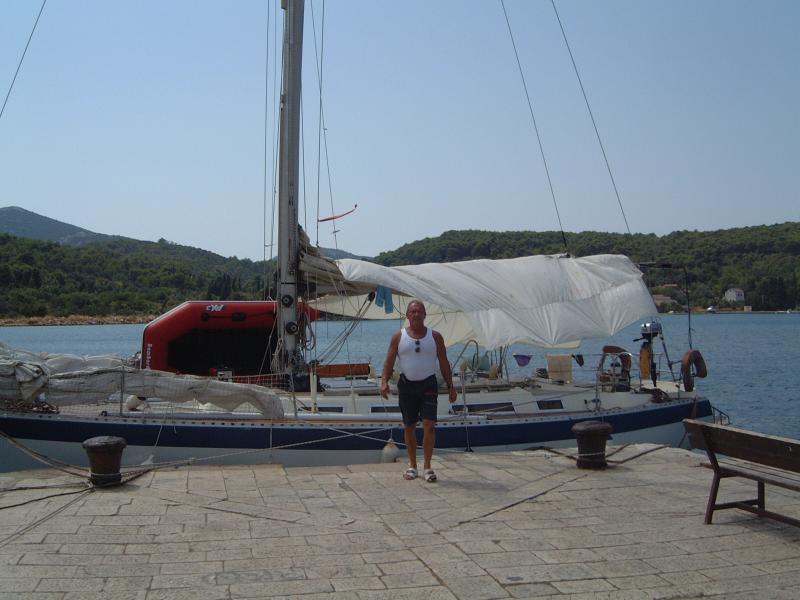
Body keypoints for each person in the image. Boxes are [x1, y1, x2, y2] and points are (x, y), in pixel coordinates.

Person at [380, 300, 457, 482]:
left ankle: (428, 467)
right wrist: (384, 382)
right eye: (413, 311)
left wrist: (451, 386)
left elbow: (444, 362)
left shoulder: (435, 337)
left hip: (428, 385)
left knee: (429, 425)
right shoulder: (398, 337)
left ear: (424, 315)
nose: (416, 314)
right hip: (406, 385)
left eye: (419, 311)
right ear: (407, 315)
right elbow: (389, 361)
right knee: (410, 426)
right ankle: (412, 466)